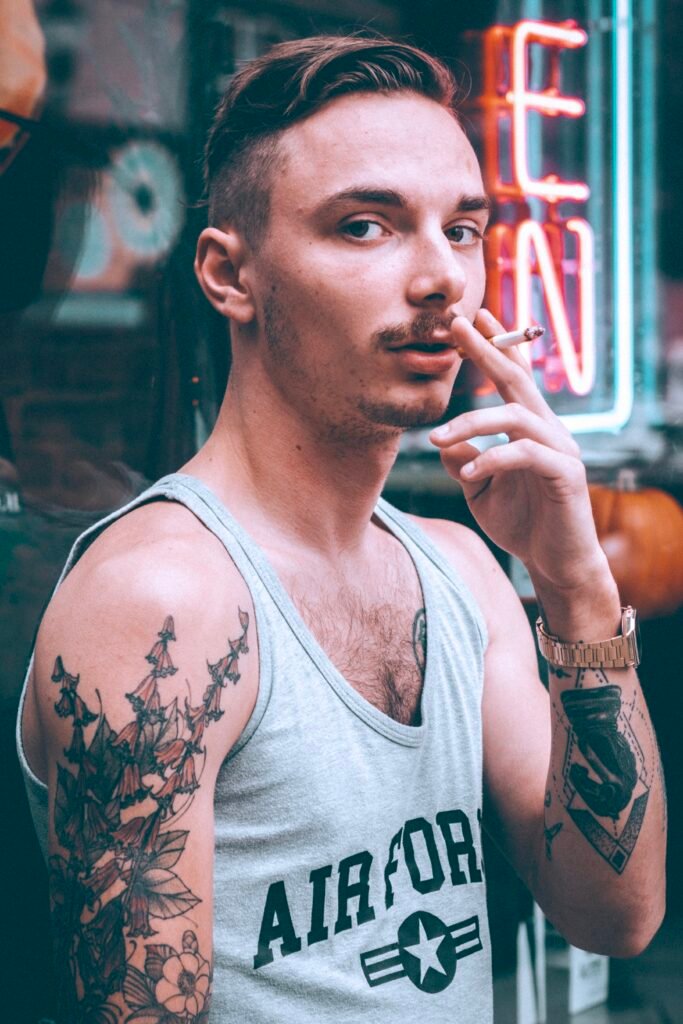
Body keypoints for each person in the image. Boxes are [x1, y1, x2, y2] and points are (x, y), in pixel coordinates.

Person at [17, 34, 666, 1024]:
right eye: (364, 227)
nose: (441, 280)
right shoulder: (165, 602)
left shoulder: (459, 572)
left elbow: (615, 913)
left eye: (461, 229)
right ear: (229, 275)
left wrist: (574, 583)